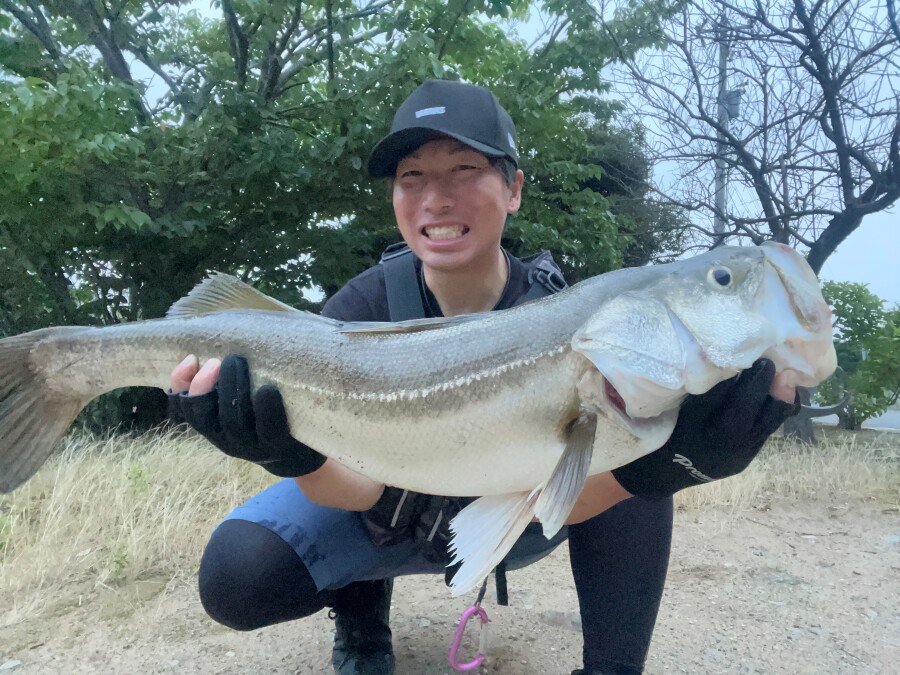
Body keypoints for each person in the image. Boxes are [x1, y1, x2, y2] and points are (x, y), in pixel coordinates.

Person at [168, 80, 799, 675]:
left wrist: (665, 466)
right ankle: (363, 620)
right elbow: (353, 491)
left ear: (514, 188)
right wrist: (288, 456)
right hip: (384, 512)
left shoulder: (570, 315)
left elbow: (567, 491)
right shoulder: (357, 311)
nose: (435, 199)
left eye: (464, 171)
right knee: (238, 574)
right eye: (410, 177)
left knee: (636, 443)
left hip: (516, 520)